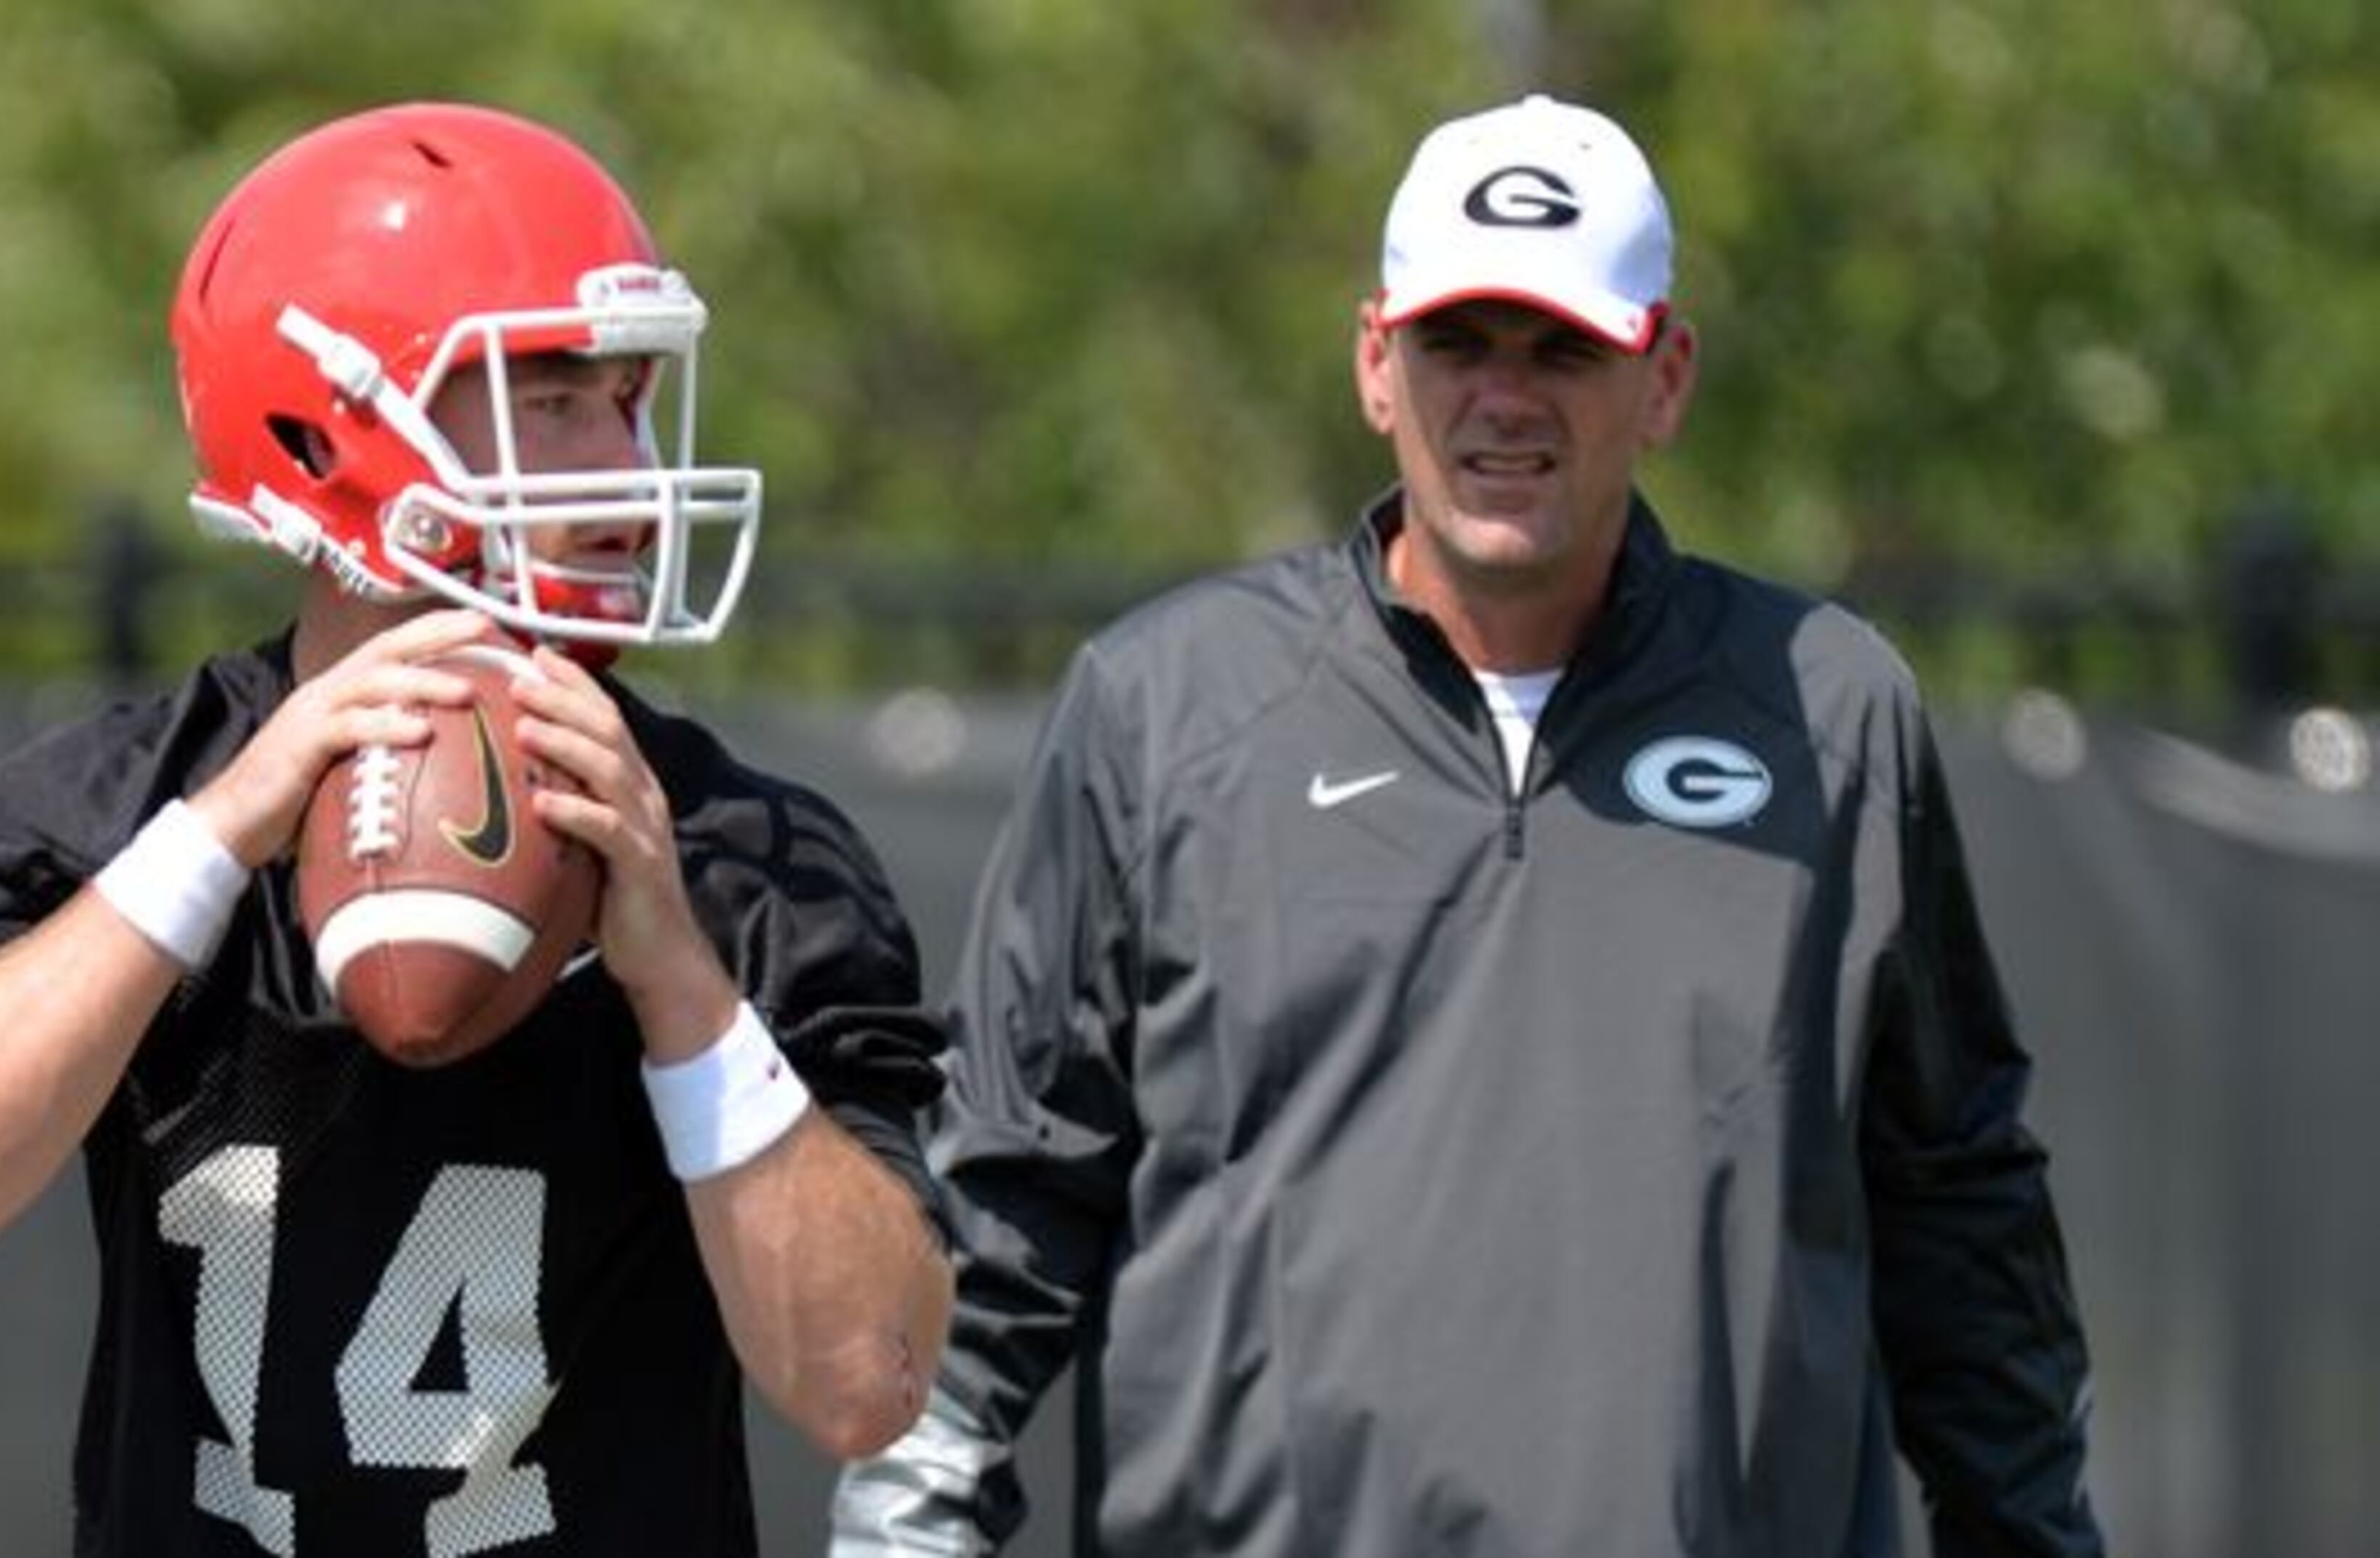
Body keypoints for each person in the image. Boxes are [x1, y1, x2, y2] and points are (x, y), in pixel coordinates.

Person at [832, 93, 2103, 1557]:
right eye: (1457, 343)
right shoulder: (1161, 711)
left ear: (1666, 375)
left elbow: (1963, 1222)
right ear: (1378, 362)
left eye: (1563, 346)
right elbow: (1000, 1204)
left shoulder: (1830, 716)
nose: (1506, 397)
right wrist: (906, 1521)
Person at [0, 102, 952, 1557]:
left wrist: (679, 977)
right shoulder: (124, 805)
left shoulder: (742, 857)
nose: (626, 459)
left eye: (627, 398)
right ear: (334, 430)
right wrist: (223, 833)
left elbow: (871, 1383)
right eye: (556, 400)